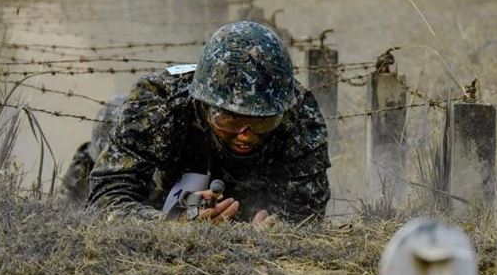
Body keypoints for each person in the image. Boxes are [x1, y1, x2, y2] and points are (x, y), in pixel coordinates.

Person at [88, 21, 331, 224]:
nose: (245, 135)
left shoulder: (297, 113)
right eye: (228, 119)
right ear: (203, 105)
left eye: (262, 122)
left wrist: (270, 230)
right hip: (156, 184)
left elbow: (306, 214)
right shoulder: (158, 104)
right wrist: (173, 225)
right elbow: (107, 200)